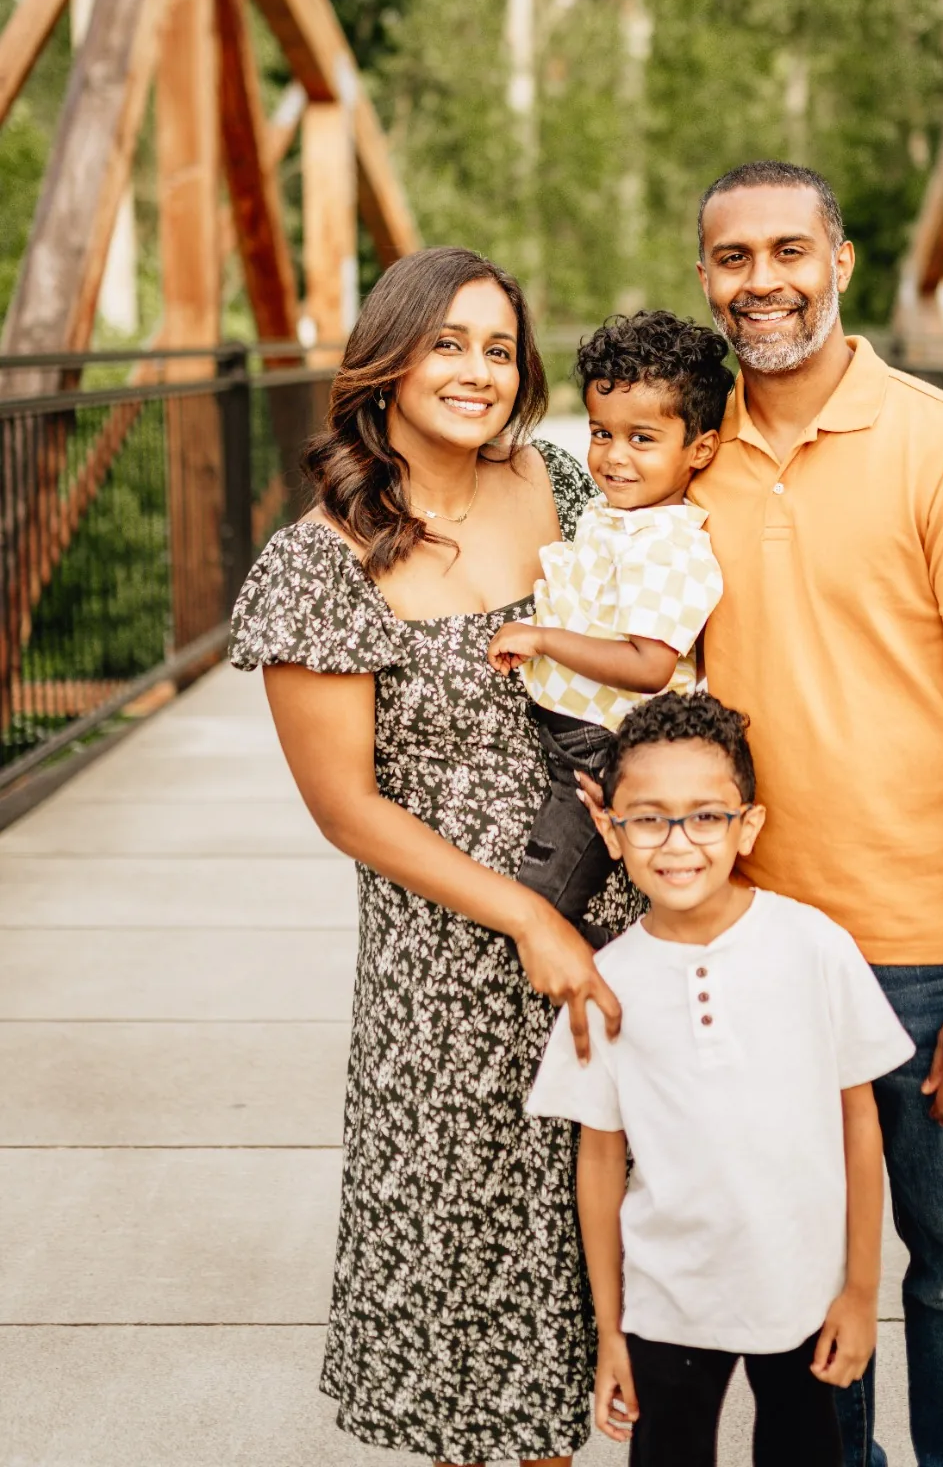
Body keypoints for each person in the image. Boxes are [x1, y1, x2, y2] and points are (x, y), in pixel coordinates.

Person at [228, 246, 636, 1467]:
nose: (476, 369)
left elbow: (650, 635)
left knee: (601, 1242)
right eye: (447, 342)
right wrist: (525, 916)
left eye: (499, 347)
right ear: (389, 358)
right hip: (453, 959)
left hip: (610, 907)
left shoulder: (560, 482)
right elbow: (347, 805)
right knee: (475, 1269)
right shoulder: (321, 557)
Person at [691, 161, 943, 1467]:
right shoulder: (679, 463)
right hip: (760, 948)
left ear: (839, 264)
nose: (763, 282)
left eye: (789, 251)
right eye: (734, 259)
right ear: (705, 282)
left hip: (928, 954)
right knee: (805, 1285)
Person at [527, 692, 914, 1467]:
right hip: (667, 1303)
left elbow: (858, 1121)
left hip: (801, 1295)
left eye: (706, 816)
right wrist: (609, 1330)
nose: (678, 843)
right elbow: (598, 1158)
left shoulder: (812, 946)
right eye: (648, 817)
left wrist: (860, 1294)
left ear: (748, 826)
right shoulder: (605, 981)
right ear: (610, 828)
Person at [487, 310, 730, 943]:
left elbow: (650, 666)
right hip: (571, 734)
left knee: (541, 901)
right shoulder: (619, 515)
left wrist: (542, 639)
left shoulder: (667, 546)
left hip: (598, 748)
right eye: (601, 433)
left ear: (698, 449)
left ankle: (611, 963)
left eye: (642, 439)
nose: (614, 457)